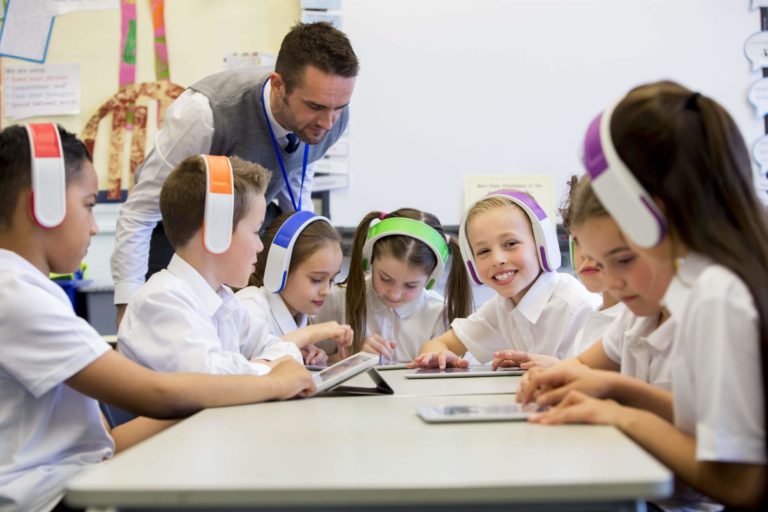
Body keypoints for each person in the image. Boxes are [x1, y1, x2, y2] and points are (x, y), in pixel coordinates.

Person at [0, 124, 314, 512]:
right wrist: (273, 381)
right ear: (43, 204)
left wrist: (253, 382)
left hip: (78, 482)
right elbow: (159, 393)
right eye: (87, 205)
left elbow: (100, 438)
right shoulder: (14, 292)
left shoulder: (26, 288)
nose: (96, 226)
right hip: (49, 499)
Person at [527, 81, 767, 509]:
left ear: (645, 206)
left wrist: (622, 414)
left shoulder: (715, 292)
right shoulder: (706, 279)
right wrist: (614, 389)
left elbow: (742, 483)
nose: (614, 277)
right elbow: (713, 424)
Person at [111, 21, 359, 326]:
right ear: (279, 85)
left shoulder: (332, 114)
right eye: (315, 106)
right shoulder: (206, 112)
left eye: (339, 107)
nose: (329, 121)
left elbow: (297, 175)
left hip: (246, 229)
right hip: (179, 238)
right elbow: (141, 212)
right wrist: (128, 310)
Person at [118, 155, 305, 375]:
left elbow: (286, 350)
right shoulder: (162, 300)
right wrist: (269, 369)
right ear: (217, 233)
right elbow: (210, 381)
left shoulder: (224, 299)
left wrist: (263, 368)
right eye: (256, 232)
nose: (260, 246)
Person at [515, 179, 675, 407]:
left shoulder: (713, 310)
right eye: (600, 262)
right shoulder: (635, 317)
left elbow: (705, 435)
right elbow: (581, 366)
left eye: (624, 259)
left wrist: (614, 404)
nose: (610, 280)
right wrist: (552, 376)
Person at [410, 190, 600, 369]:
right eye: (483, 251)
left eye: (511, 244)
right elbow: (438, 344)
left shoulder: (578, 307)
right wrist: (439, 355)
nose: (497, 259)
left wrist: (558, 368)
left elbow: (605, 379)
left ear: (543, 244)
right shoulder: (501, 307)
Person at [492, 175, 625, 370]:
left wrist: (563, 370)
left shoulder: (628, 318)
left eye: (601, 240)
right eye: (578, 241)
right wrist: (558, 367)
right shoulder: (597, 318)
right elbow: (587, 375)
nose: (587, 254)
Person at [315, 208, 473, 364]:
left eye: (411, 285)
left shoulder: (439, 312)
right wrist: (351, 356)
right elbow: (313, 363)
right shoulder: (336, 299)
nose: (394, 295)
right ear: (368, 260)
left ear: (431, 279)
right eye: (385, 278)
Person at [237, 211, 353, 366]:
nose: (327, 290)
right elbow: (244, 373)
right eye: (317, 279)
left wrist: (315, 361)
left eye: (331, 280)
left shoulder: (300, 314)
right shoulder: (249, 307)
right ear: (279, 270)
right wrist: (308, 335)